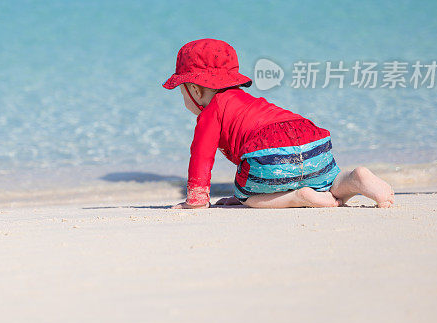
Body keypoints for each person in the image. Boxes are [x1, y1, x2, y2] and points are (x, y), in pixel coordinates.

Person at [163, 38, 394, 209]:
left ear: (194, 89)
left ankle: (298, 197)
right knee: (328, 182)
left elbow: (201, 156)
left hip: (271, 153)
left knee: (245, 196)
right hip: (312, 140)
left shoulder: (210, 112)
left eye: (182, 91)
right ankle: (355, 179)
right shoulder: (249, 101)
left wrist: (196, 199)